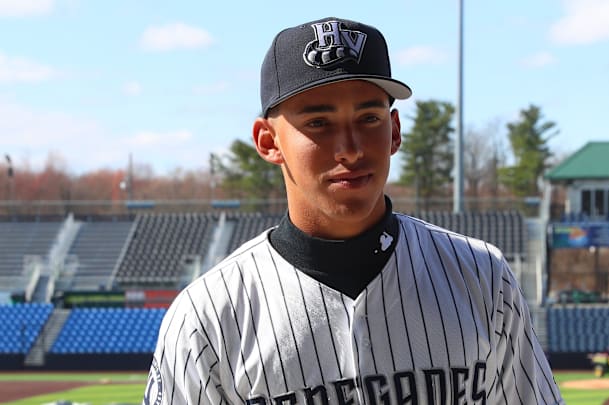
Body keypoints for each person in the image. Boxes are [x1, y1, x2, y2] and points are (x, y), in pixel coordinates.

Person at [144, 16, 564, 405]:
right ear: (269, 142)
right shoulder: (207, 317)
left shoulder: (482, 279)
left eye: (368, 117)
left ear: (395, 130)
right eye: (319, 124)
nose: (351, 149)